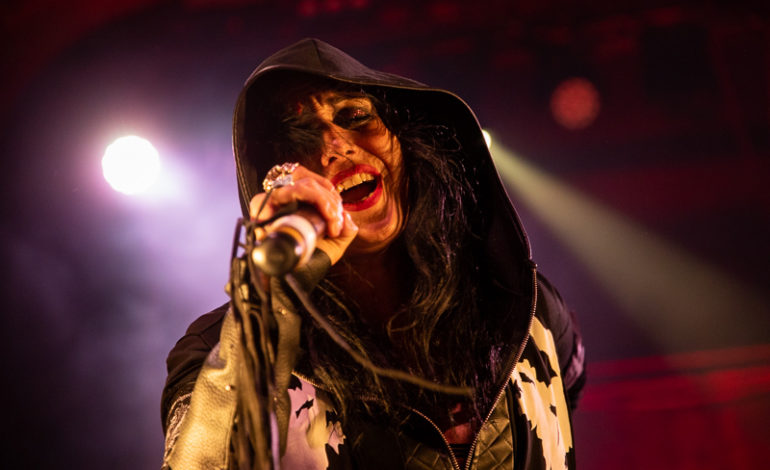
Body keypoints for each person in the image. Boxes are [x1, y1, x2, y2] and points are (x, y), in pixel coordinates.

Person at [160, 38, 586, 470]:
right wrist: (269, 302)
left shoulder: (523, 306)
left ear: (405, 143)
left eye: (355, 116)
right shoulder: (215, 349)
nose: (334, 145)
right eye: (298, 138)